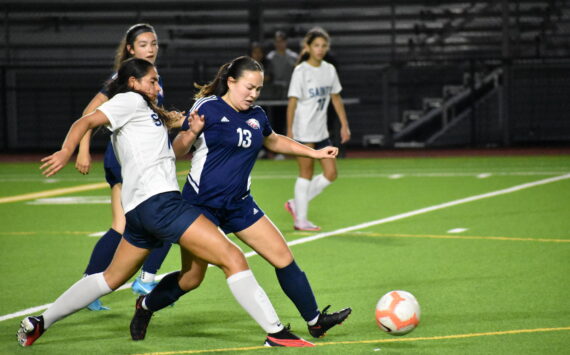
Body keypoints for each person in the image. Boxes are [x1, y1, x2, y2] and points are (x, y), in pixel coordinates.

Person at [17, 57, 313, 348]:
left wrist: (194, 127)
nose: (158, 86)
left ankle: (41, 321)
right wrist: (68, 150)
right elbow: (87, 120)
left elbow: (175, 132)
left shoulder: (146, 111)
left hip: (139, 212)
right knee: (233, 258)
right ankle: (275, 332)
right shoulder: (129, 101)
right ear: (133, 82)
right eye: (152, 80)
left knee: (110, 278)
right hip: (161, 204)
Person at [129, 56, 351, 342]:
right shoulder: (207, 108)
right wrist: (192, 132)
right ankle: (145, 306)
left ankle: (315, 320)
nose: (253, 94)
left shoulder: (257, 115)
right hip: (201, 207)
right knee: (192, 278)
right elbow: (178, 148)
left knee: (284, 258)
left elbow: (274, 140)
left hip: (239, 204)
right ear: (231, 82)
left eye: (258, 89)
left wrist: (315, 153)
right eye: (248, 87)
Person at [75, 23, 175, 311]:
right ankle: (139, 279)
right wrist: (83, 150)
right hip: (125, 161)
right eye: (144, 44)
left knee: (132, 224)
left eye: (154, 43)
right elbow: (90, 112)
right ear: (131, 49)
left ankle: (97, 285)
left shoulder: (151, 77)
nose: (151, 48)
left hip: (138, 161)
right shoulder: (123, 76)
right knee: (155, 219)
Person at [285, 27, 351, 231]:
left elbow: (336, 98)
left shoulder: (329, 69)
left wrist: (344, 125)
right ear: (308, 47)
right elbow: (292, 103)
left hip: (321, 131)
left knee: (331, 173)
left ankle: (296, 203)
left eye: (323, 46)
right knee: (306, 172)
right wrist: (289, 131)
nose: (320, 49)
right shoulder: (301, 71)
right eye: (316, 45)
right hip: (303, 129)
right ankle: (301, 221)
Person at [266, 30, 298, 140]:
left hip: (291, 94)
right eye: (277, 41)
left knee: (292, 121)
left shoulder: (294, 57)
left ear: (286, 42)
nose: (279, 44)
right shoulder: (270, 58)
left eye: (281, 41)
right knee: (276, 121)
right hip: (275, 94)